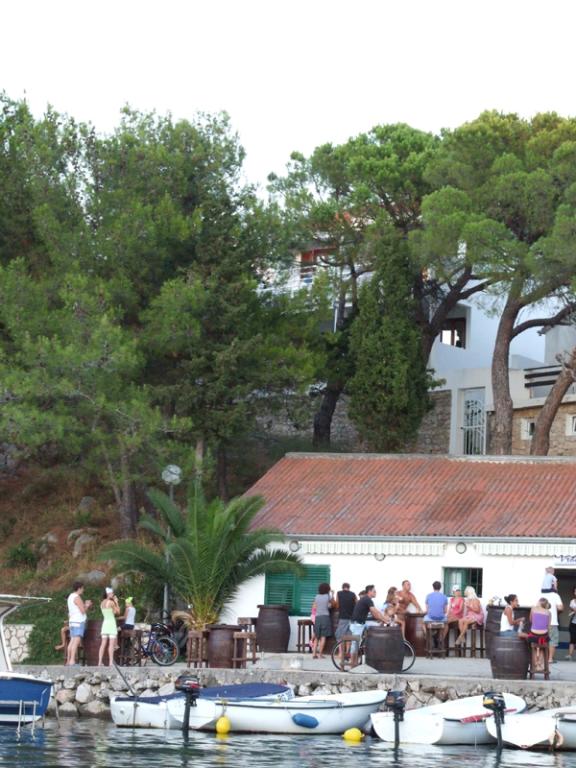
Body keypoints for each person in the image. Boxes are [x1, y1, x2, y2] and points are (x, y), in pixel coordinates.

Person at [348, 585, 389, 667]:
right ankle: (352, 664)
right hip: (357, 624)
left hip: (361, 623)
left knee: (375, 626)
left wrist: (382, 619)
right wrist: (384, 620)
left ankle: (367, 645)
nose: (375, 592)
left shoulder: (367, 599)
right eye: (374, 591)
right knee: (355, 645)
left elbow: (376, 613)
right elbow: (375, 612)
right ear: (369, 592)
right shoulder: (367, 599)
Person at [65, 581, 92, 666]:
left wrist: (85, 605)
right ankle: (72, 661)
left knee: (72, 641)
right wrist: (87, 605)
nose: (83, 590)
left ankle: (68, 661)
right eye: (83, 588)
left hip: (72, 621)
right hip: (78, 621)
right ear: (79, 588)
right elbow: (83, 611)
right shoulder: (77, 597)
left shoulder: (70, 596)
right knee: (76, 642)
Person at [522, 597, 551, 671]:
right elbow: (548, 626)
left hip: (534, 634)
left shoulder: (533, 609)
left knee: (534, 648)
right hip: (544, 635)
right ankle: (540, 665)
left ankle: (534, 664)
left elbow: (531, 620)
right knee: (542, 648)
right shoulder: (548, 612)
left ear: (539, 602)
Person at [97, 587, 120, 666]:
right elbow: (118, 612)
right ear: (108, 594)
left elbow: (111, 612)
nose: (113, 594)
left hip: (105, 624)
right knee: (111, 644)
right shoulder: (111, 602)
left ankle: (99, 662)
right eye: (112, 593)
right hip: (111, 624)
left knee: (103, 644)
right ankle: (110, 662)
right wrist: (116, 602)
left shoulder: (102, 603)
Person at [311, 583, 334, 659]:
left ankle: (314, 654)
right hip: (325, 617)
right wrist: (332, 594)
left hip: (318, 617)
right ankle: (320, 654)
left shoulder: (316, 596)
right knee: (323, 637)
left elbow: (314, 607)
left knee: (317, 637)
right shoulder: (328, 596)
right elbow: (333, 604)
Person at [541, 586, 563, 663]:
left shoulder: (540, 593)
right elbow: (560, 608)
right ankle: (550, 659)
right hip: (552, 622)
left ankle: (542, 658)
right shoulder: (555, 595)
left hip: (541, 623)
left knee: (541, 640)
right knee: (552, 641)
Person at [567, 587, 576, 661]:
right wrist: (573, 611)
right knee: (572, 639)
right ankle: (569, 655)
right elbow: (570, 613)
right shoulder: (572, 601)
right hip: (573, 623)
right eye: (575, 591)